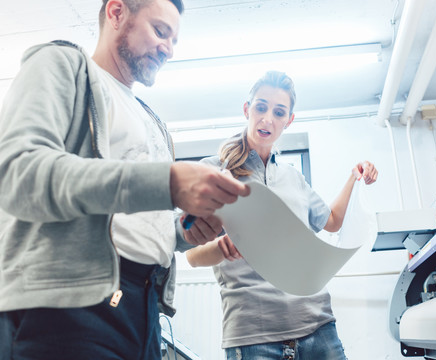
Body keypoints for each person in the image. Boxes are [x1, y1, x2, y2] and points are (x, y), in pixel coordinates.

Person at [0, 0, 250, 359]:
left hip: (144, 308)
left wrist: (184, 233)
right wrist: (167, 183)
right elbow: (20, 173)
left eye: (174, 41)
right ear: (117, 13)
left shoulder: (154, 122)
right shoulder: (62, 65)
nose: (168, 49)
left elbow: (139, 224)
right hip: (71, 304)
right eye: (160, 32)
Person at [185, 70, 378, 360]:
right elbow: (191, 255)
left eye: (279, 112)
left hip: (318, 326)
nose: (268, 119)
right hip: (253, 334)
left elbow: (332, 222)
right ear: (247, 109)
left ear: (289, 120)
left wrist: (353, 178)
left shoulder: (293, 177)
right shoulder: (213, 172)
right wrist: (220, 248)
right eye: (261, 108)